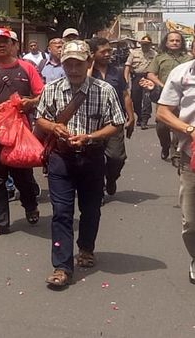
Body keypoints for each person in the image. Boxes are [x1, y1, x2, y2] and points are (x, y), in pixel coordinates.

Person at [36, 40, 126, 288]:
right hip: (60, 160)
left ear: (89, 63)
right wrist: (54, 126)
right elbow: (40, 118)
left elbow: (117, 123)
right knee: (61, 213)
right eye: (68, 64)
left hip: (92, 158)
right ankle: (62, 266)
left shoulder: (105, 90)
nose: (73, 69)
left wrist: (90, 137)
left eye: (78, 64)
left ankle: (86, 248)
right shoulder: (51, 89)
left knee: (90, 209)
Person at [0, 28, 44, 237]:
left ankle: (31, 206)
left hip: (20, 134)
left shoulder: (27, 68)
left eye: (6, 41)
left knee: (23, 177)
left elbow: (41, 94)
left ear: (14, 45)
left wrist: (30, 102)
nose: (1, 45)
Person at [156, 54, 195, 284]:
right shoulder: (182, 73)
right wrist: (189, 130)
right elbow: (162, 113)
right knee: (191, 220)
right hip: (191, 156)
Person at [88, 37, 135, 198]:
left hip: (115, 120)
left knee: (117, 157)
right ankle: (98, 189)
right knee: (95, 159)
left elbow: (125, 95)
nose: (108, 54)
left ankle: (112, 178)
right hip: (93, 121)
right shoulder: (86, 71)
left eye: (109, 51)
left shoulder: (117, 71)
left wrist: (131, 117)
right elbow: (84, 85)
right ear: (93, 54)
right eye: (103, 51)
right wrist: (89, 64)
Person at [147, 31, 192, 166]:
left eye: (177, 40)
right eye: (171, 40)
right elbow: (150, 74)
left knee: (180, 126)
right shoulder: (159, 58)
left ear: (182, 43)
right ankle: (165, 146)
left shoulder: (188, 59)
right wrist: (162, 85)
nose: (175, 43)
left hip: (184, 99)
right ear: (166, 43)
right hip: (165, 97)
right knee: (162, 127)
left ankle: (176, 153)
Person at [124, 35, 156, 129]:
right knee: (135, 99)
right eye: (143, 44)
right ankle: (139, 116)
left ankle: (144, 120)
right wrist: (125, 80)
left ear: (150, 44)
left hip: (149, 77)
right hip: (136, 77)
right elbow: (127, 66)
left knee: (147, 99)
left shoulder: (154, 54)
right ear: (140, 44)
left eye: (147, 44)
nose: (145, 46)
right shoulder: (134, 53)